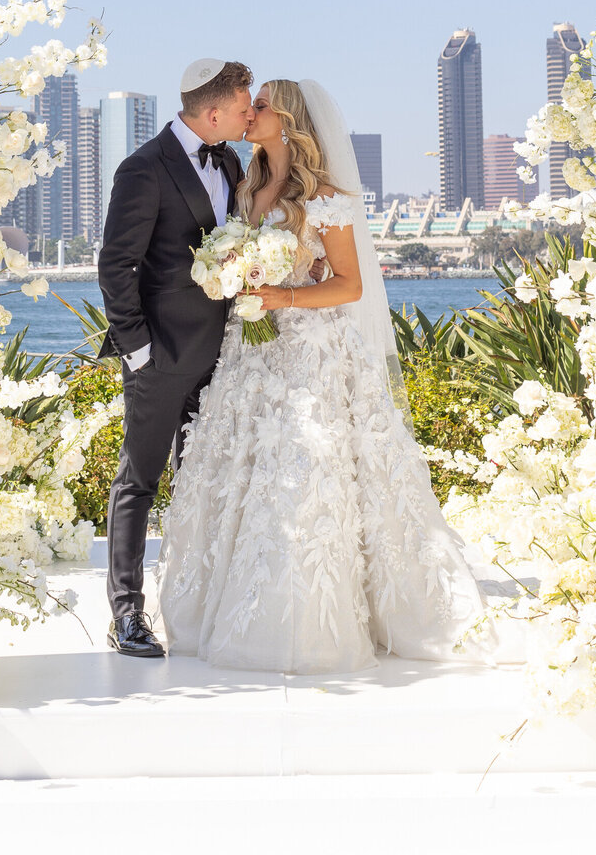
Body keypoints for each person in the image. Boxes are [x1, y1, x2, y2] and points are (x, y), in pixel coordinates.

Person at [157, 78, 489, 673]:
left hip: (308, 353)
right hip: (249, 354)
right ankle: (227, 605)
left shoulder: (325, 198)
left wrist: (282, 295)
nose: (248, 112)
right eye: (247, 104)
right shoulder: (245, 188)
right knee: (245, 472)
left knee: (304, 474)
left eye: (260, 106)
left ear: (288, 120)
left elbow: (350, 284)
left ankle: (313, 621)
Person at [96, 58, 253, 657]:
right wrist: (137, 352)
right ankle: (127, 615)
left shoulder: (231, 161)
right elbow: (116, 266)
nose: (247, 116)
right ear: (213, 113)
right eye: (242, 108)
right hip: (160, 358)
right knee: (139, 481)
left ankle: (192, 603)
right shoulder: (142, 169)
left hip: (221, 359)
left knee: (198, 483)